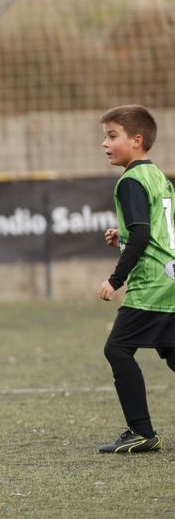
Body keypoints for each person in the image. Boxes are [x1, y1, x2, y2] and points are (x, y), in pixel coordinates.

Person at [97, 104, 172, 454]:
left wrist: (115, 279)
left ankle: (141, 432)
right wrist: (123, 237)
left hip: (153, 284)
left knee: (117, 348)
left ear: (137, 140)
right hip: (171, 278)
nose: (105, 143)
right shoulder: (159, 177)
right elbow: (154, 231)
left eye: (113, 135)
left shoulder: (130, 180)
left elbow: (143, 235)